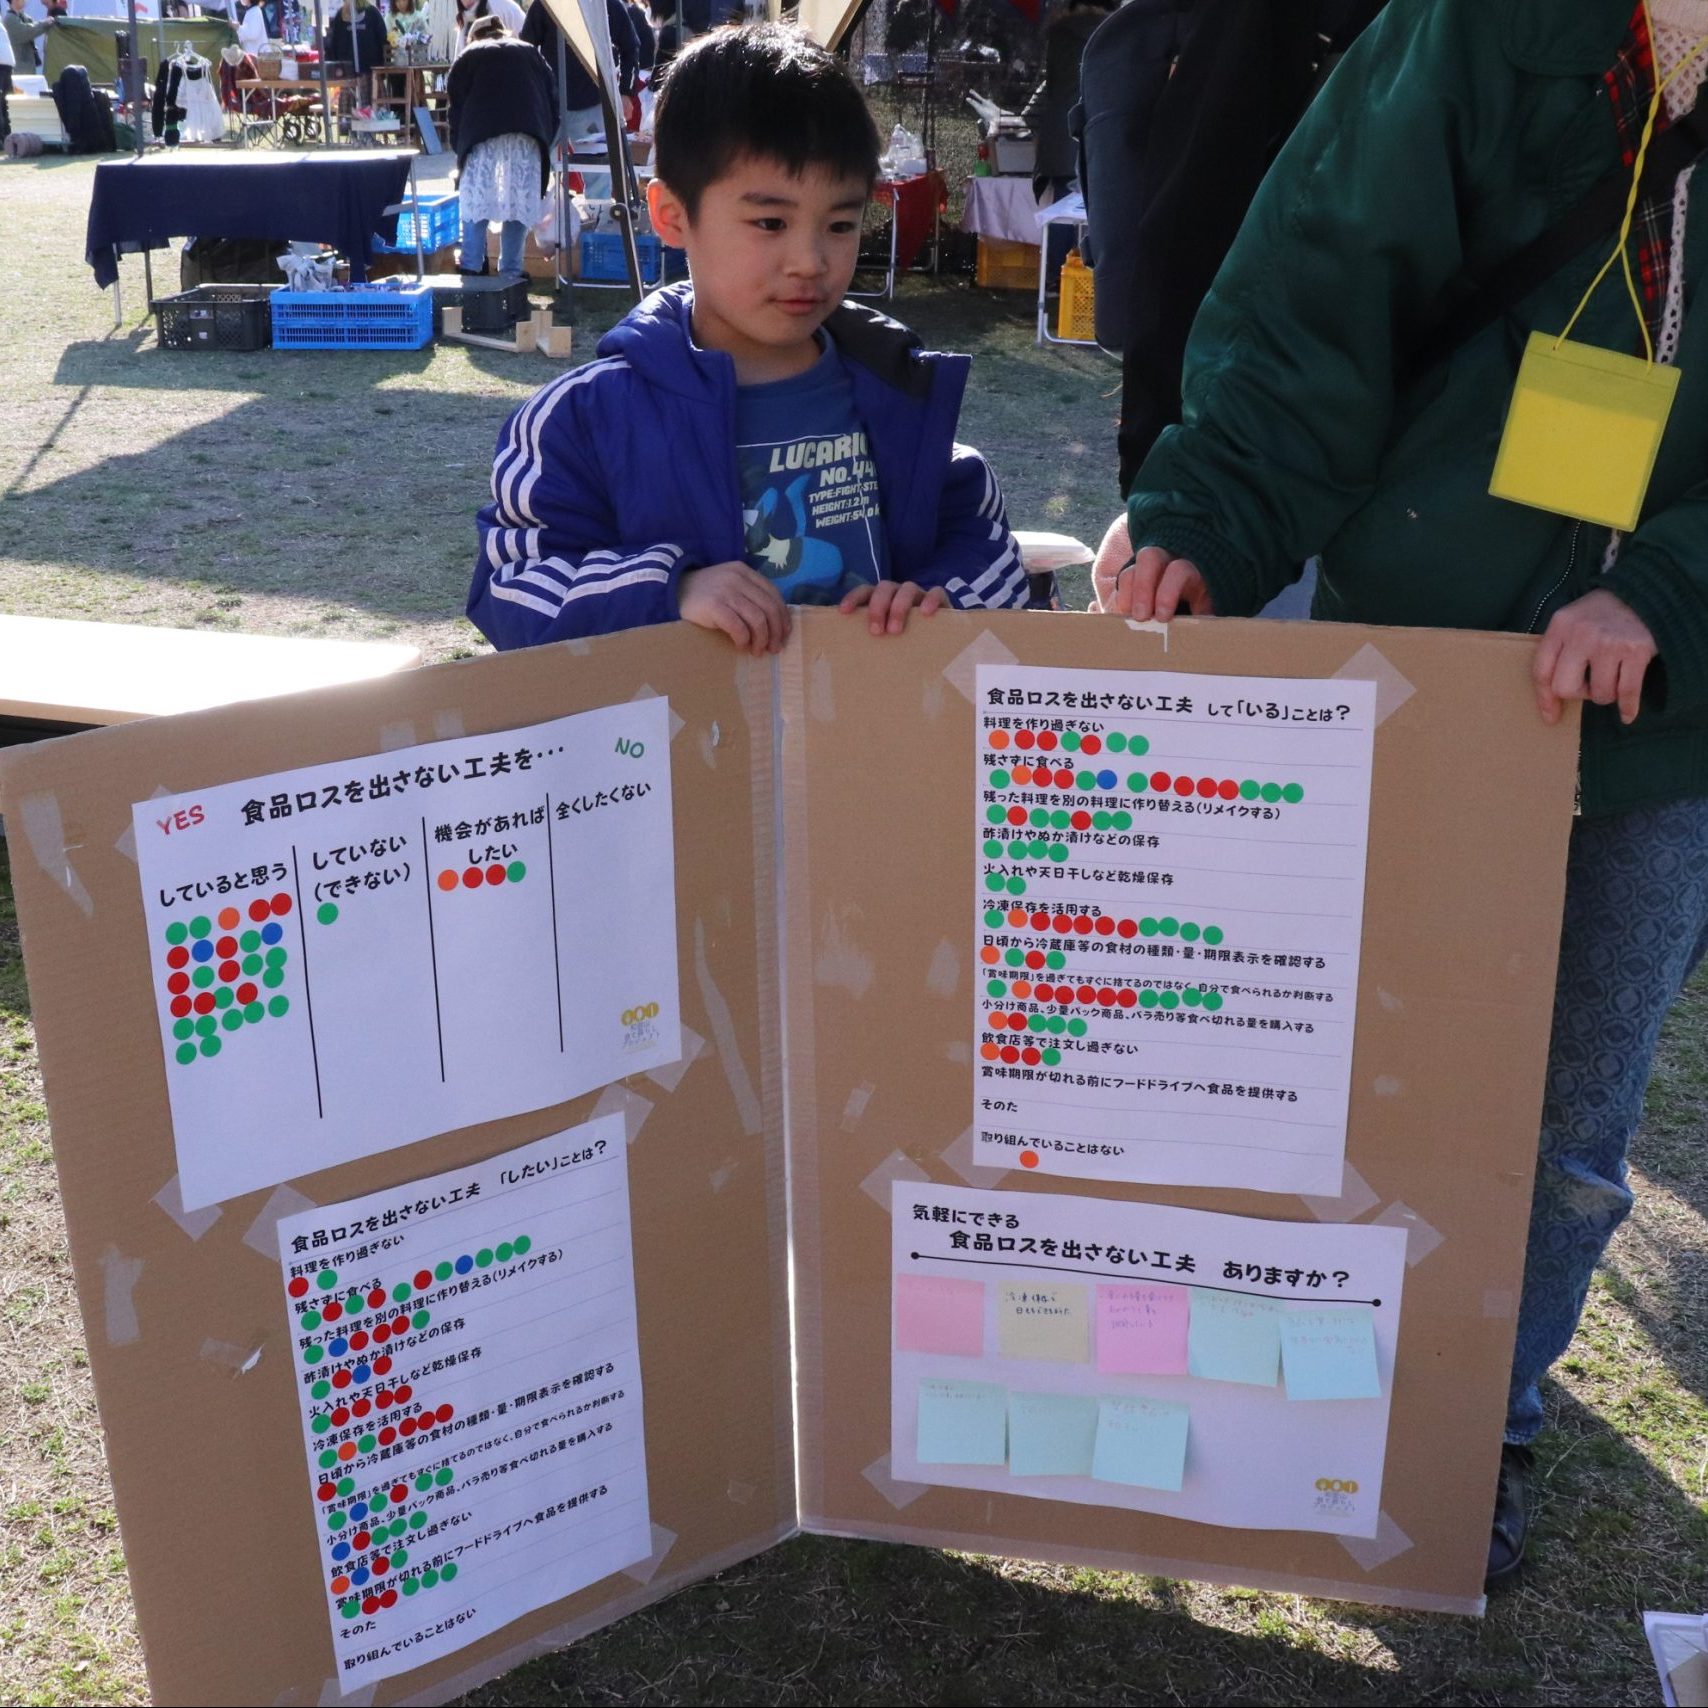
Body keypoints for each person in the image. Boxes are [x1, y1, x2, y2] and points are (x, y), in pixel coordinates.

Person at [1091, 0, 1708, 1588]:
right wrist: (1211, 515)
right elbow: (1319, 282)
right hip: (1425, 667)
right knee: (1350, 1068)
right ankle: (1301, 1406)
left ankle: (1472, 1432)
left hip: (1666, 727)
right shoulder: (1489, 28)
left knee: (1569, 1126)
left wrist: (1671, 597)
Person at [466, 23, 1028, 654]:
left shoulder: (895, 388)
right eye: (770, 222)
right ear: (672, 216)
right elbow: (510, 589)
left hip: (869, 715)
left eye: (840, 225)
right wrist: (670, 588)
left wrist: (941, 597)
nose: (810, 261)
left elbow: (992, 550)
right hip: (682, 719)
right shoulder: (582, 419)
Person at [446, 15, 555, 275]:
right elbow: (552, 99)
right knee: (518, 202)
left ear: (474, 37)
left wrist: (459, 148)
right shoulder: (530, 53)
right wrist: (546, 138)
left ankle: (471, 266)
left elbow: (455, 109)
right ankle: (511, 270)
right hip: (528, 136)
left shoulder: (469, 55)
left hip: (481, 137)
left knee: (477, 200)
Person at [1021, 0, 1115, 205]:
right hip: (1094, 143)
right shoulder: (1114, 34)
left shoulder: (1060, 35)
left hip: (1058, 145)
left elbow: (1053, 88)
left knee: (1062, 214)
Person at [520, 0, 638, 141]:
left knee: (598, 153)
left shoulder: (607, 5)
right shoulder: (546, 5)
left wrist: (625, 91)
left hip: (597, 105)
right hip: (553, 108)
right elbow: (525, 50)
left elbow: (630, 49)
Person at [324, 0, 387, 75]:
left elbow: (383, 40)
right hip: (346, 71)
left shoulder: (372, 13)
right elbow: (333, 44)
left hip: (371, 70)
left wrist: (382, 69)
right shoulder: (340, 16)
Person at [4, 0, 49, 74]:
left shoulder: (24, 17)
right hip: (18, 70)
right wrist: (45, 24)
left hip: (28, 67)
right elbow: (27, 31)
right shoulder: (10, 19)